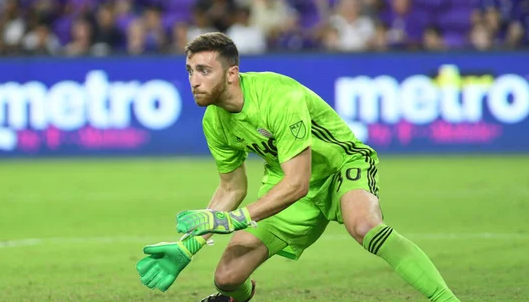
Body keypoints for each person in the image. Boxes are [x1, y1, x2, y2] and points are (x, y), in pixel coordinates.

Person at [136, 32, 460, 302]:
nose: (194, 80)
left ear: (231, 73)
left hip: (339, 165)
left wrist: (237, 219)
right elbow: (232, 188)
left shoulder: (279, 97)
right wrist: (187, 246)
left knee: (364, 226)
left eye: (204, 70)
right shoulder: (215, 122)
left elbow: (298, 182)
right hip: (285, 178)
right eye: (190, 70)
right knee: (226, 277)